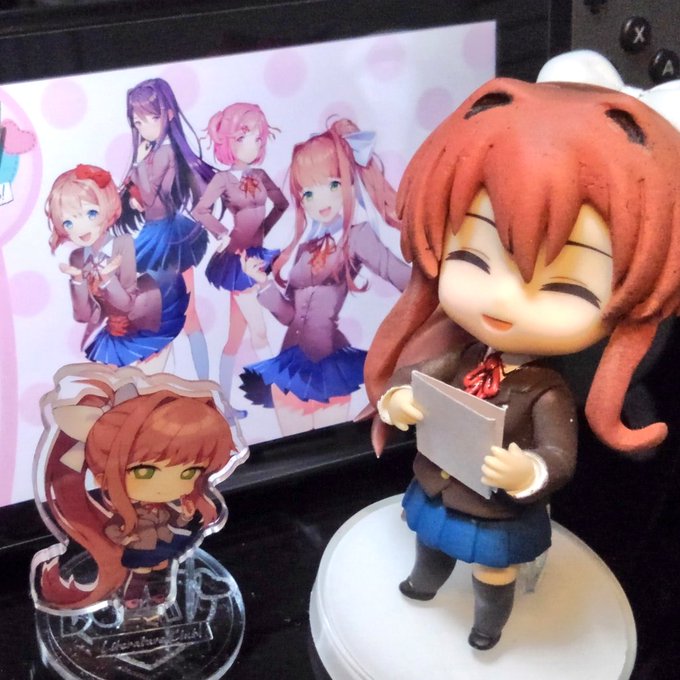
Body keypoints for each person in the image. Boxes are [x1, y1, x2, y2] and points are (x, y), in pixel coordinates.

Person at [364, 77, 680, 650]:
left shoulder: (547, 392)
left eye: (563, 284)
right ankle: (424, 582)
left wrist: (527, 471)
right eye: (471, 255)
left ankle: (488, 624)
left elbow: (559, 455)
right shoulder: (464, 354)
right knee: (429, 541)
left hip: (496, 508)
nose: (504, 299)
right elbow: (420, 377)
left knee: (493, 570)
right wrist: (398, 399)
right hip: (439, 484)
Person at [241, 118, 410, 434]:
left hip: (328, 367)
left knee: (330, 446)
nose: (319, 201)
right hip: (289, 366)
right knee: (293, 452)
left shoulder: (357, 236)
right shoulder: (307, 247)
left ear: (349, 182)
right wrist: (264, 285)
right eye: (308, 193)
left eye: (332, 185)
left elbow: (401, 276)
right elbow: (289, 316)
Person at [32, 365, 247, 612]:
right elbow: (112, 528)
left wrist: (184, 516)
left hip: (165, 544)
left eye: (189, 473)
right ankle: (132, 596)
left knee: (162, 569)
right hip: (139, 547)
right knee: (140, 572)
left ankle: (159, 593)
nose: (168, 486)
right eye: (145, 471)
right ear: (104, 474)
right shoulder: (125, 511)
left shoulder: (169, 504)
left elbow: (173, 519)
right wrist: (124, 537)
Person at [192, 103, 288, 417]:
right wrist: (222, 233)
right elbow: (200, 211)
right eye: (246, 137)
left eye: (259, 138)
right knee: (258, 330)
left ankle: (223, 404)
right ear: (230, 140)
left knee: (235, 337)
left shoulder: (260, 174)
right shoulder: (223, 179)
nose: (255, 144)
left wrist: (262, 232)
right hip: (238, 260)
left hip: (257, 255)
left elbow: (282, 204)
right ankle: (277, 391)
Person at [46, 164, 188, 369]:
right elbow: (85, 315)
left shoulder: (122, 243)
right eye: (68, 223)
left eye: (91, 213)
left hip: (145, 314)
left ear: (108, 206)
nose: (81, 228)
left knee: (149, 373)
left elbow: (128, 301)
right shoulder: (77, 258)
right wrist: (77, 281)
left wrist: (107, 280)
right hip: (114, 327)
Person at [121, 78, 214, 378]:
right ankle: (192, 383)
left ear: (169, 114)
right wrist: (134, 197)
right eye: (138, 122)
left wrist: (137, 166)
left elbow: (150, 197)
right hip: (157, 233)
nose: (144, 128)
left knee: (178, 314)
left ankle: (199, 384)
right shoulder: (154, 153)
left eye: (150, 118)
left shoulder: (165, 152)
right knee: (177, 315)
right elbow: (143, 197)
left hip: (168, 237)